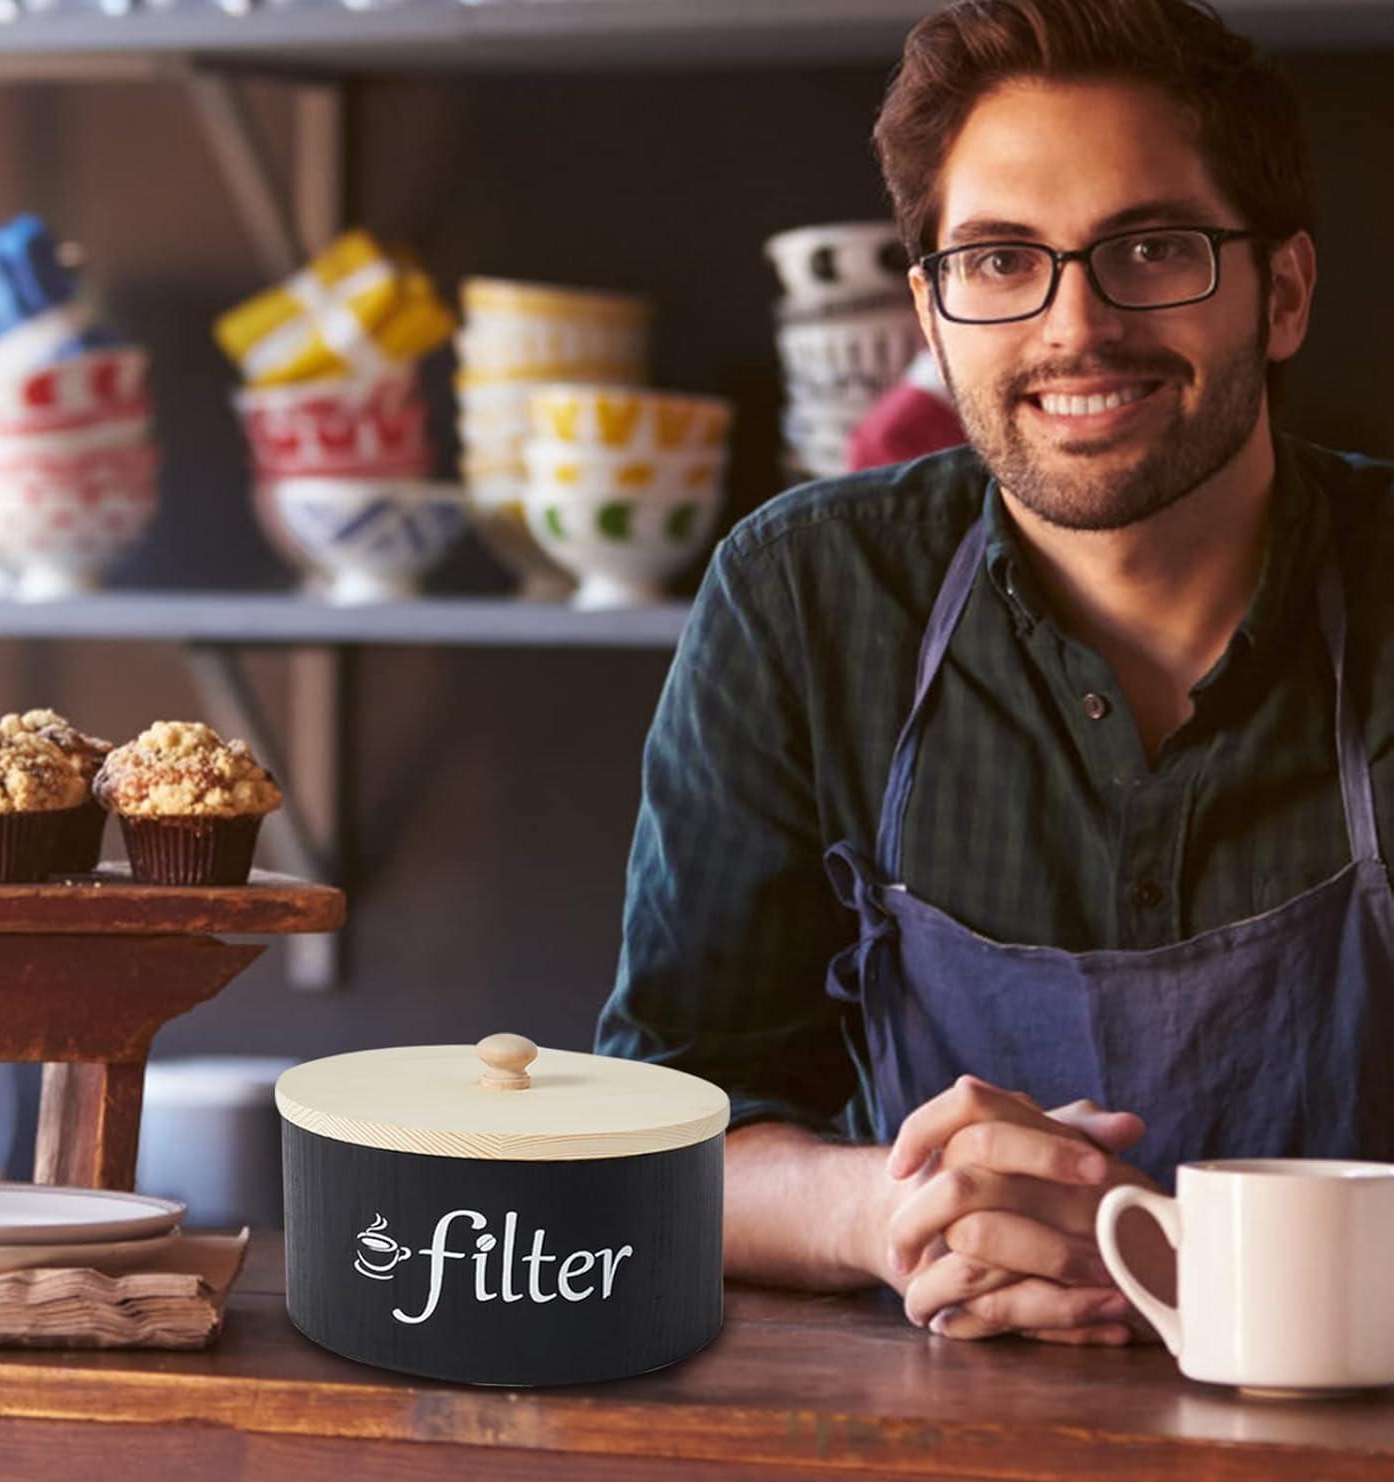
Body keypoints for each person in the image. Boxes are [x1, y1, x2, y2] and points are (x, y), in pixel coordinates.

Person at [595, 0, 1394, 1347]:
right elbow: (656, 1142)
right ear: (933, 312)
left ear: (1288, 292)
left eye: (1153, 248)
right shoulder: (806, 595)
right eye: (1001, 259)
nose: (1076, 325)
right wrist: (888, 1211)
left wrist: (1257, 1272)